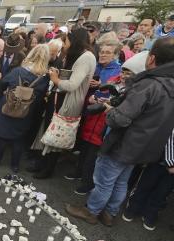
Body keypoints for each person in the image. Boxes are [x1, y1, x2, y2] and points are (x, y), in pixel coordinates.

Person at [65, 37, 174, 228]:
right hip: (144, 147)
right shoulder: (170, 85)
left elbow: (120, 118)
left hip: (124, 143)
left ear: (152, 58)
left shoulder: (148, 85)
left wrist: (110, 110)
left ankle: (91, 211)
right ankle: (110, 213)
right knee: (121, 181)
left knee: (104, 180)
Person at [34, 28, 97, 179]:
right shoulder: (78, 55)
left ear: (75, 41)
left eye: (66, 41)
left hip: (68, 103)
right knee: (50, 131)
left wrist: (56, 79)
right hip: (60, 99)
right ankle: (42, 164)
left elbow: (72, 85)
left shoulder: (86, 58)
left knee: (57, 136)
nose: (64, 44)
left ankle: (47, 169)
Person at [67, 41, 124, 194]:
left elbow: (116, 93)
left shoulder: (118, 72)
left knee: (94, 150)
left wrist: (100, 86)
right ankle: (78, 172)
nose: (103, 54)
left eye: (107, 52)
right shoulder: (96, 66)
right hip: (89, 112)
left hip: (102, 117)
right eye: (102, 51)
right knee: (84, 144)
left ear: (115, 56)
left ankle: (87, 182)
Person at [0, 44, 50, 173]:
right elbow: (40, 98)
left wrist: (4, 96)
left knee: (2, 136)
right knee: (19, 139)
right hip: (26, 111)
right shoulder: (44, 78)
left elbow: (3, 83)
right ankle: (15, 165)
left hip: (8, 106)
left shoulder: (18, 71)